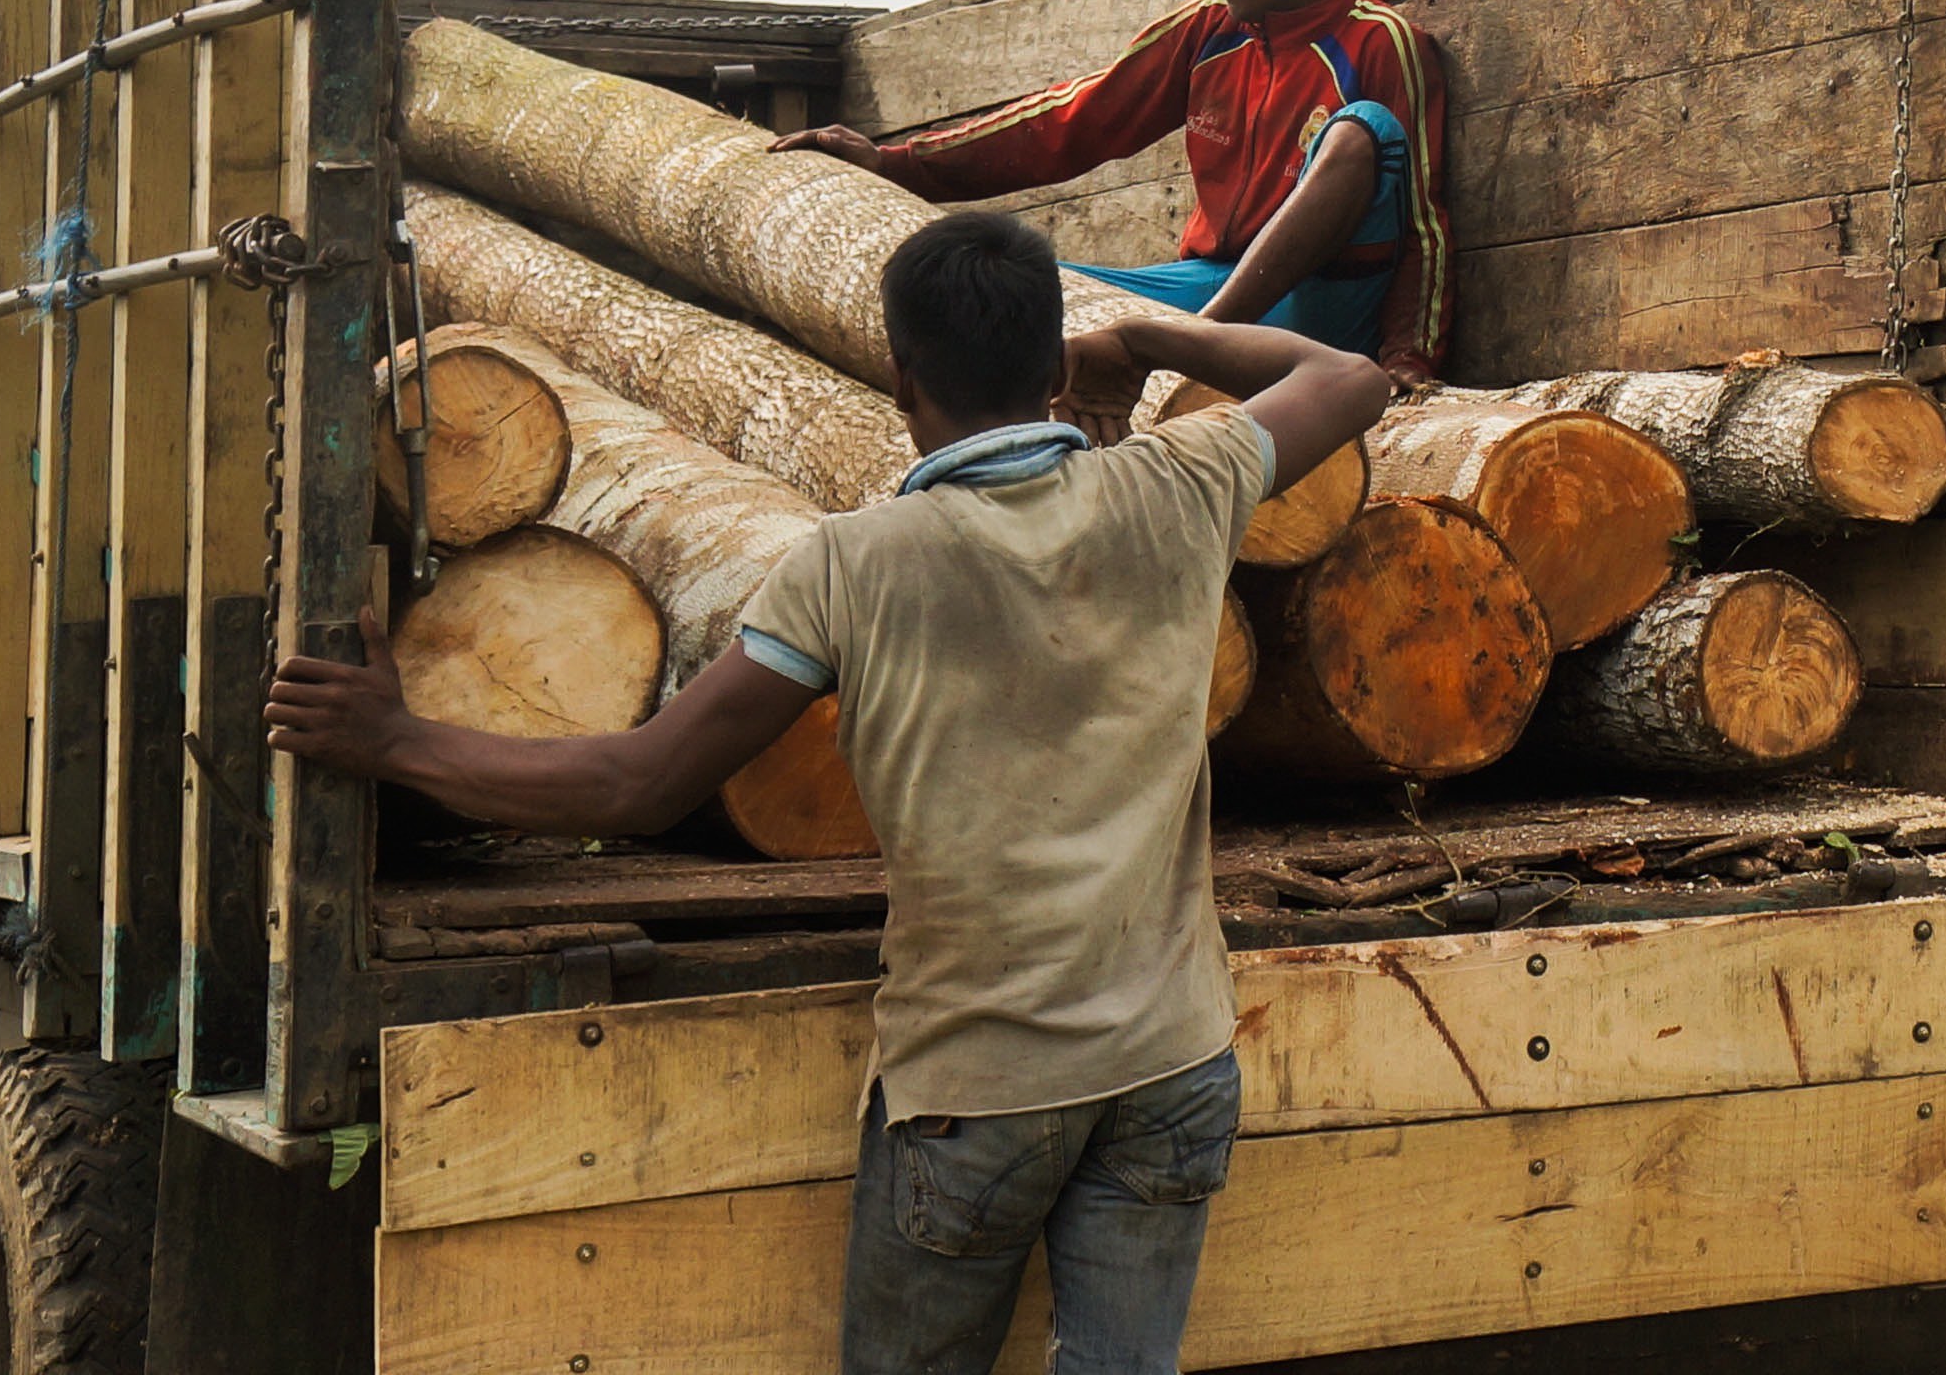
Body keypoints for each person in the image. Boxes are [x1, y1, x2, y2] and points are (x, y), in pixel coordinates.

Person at [264, 211, 1392, 1373]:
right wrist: (1152, 339)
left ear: (902, 377)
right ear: (1055, 365)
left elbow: (641, 781)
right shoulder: (1180, 482)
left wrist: (394, 739)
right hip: (1171, 1063)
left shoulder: (852, 565)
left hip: (977, 1088)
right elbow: (1347, 376)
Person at [775, 0, 1453, 390]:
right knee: (1014, 295)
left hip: (1314, 309)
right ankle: (1181, 349)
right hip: (1203, 288)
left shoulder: (1381, 43)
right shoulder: (1209, 31)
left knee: (1363, 128)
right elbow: (1072, 122)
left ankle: (1193, 348)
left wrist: (1408, 360)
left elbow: (1423, 226)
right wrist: (893, 163)